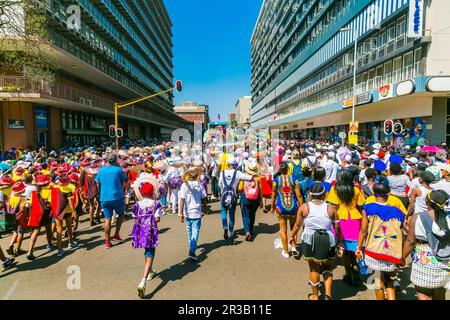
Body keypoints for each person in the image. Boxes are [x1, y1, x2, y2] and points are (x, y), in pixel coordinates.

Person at [289, 183, 339, 300]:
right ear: (324, 194)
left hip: (310, 239)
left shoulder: (304, 207)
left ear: (310, 194)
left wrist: (292, 235)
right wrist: (339, 240)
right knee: (328, 267)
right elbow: (336, 227)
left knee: (313, 268)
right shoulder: (331, 208)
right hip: (327, 239)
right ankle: (328, 294)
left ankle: (315, 296)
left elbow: (297, 224)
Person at [356, 184, 405, 300]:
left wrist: (358, 247)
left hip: (374, 249)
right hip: (391, 251)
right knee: (389, 279)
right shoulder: (398, 212)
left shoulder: (367, 208)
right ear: (388, 195)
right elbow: (401, 234)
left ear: (374, 194)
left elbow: (363, 230)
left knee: (378, 281)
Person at [403, 190, 450, 300]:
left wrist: (402, 258)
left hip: (423, 261)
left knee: (423, 294)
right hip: (445, 261)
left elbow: (410, 241)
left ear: (427, 202)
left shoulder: (416, 218)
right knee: (440, 296)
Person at [327, 171, 365, 285]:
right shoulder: (356, 190)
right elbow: (361, 204)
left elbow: (332, 205)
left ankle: (348, 275)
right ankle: (357, 273)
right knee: (355, 250)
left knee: (344, 250)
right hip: (354, 220)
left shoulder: (334, 189)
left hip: (341, 219)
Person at [130, 180, 163, 298]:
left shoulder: (138, 204)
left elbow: (134, 216)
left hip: (140, 231)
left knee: (146, 251)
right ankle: (143, 280)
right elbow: (158, 219)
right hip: (151, 231)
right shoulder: (155, 204)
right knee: (150, 253)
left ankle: (151, 272)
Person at [272, 162, 303, 258]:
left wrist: (272, 206)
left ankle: (286, 251)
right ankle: (294, 247)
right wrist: (302, 206)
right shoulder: (294, 180)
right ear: (288, 169)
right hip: (293, 207)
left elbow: (273, 196)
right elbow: (298, 195)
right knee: (294, 228)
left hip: (281, 208)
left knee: (283, 230)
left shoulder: (276, 180)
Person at [96, 153, 127, 249]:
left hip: (104, 197)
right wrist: (123, 191)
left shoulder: (101, 170)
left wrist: (99, 193)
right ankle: (116, 234)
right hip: (117, 196)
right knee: (121, 214)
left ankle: (107, 242)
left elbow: (97, 183)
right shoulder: (118, 170)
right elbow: (125, 181)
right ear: (115, 160)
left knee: (107, 219)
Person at [219, 156, 253, 240]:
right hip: (233, 195)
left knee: (223, 212)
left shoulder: (222, 173)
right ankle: (231, 231)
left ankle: (225, 227)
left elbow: (219, 184)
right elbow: (249, 178)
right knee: (231, 213)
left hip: (224, 195)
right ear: (234, 164)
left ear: (227, 164)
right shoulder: (237, 173)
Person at [179, 167, 207, 260]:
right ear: (196, 175)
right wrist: (205, 209)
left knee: (189, 231)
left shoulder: (184, 185)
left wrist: (180, 212)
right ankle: (192, 250)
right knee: (195, 231)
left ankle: (192, 247)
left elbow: (182, 199)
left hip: (187, 212)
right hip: (197, 212)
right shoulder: (200, 185)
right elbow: (204, 199)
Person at [26, 174, 55, 260]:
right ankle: (50, 245)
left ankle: (30, 251)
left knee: (35, 231)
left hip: (35, 213)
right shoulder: (49, 191)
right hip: (45, 213)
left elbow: (30, 204)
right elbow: (50, 203)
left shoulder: (34, 192)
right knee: (48, 229)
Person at [51, 173, 78, 257]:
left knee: (59, 229)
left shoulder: (55, 188)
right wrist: (74, 212)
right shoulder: (68, 189)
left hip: (57, 211)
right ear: (66, 182)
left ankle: (59, 250)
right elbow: (70, 202)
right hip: (67, 211)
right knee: (69, 227)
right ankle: (70, 243)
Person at [240, 162, 263, 241]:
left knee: (245, 215)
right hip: (255, 199)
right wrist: (261, 201)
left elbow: (240, 188)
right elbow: (260, 190)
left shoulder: (244, 178)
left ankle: (247, 231)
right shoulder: (258, 179)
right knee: (252, 214)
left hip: (245, 198)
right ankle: (251, 229)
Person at [6, 182, 29, 257]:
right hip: (19, 218)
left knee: (15, 232)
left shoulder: (11, 197)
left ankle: (11, 245)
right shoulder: (23, 198)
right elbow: (22, 210)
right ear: (21, 190)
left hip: (11, 217)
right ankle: (18, 250)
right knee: (20, 233)